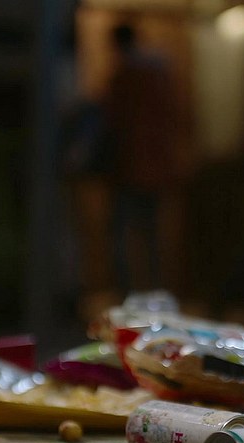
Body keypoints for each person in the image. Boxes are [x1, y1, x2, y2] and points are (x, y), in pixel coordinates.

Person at [101, 22, 178, 293]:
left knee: (122, 234)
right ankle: (154, 290)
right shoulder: (159, 75)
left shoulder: (125, 77)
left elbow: (114, 123)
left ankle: (127, 293)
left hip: (128, 167)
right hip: (155, 168)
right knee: (150, 234)